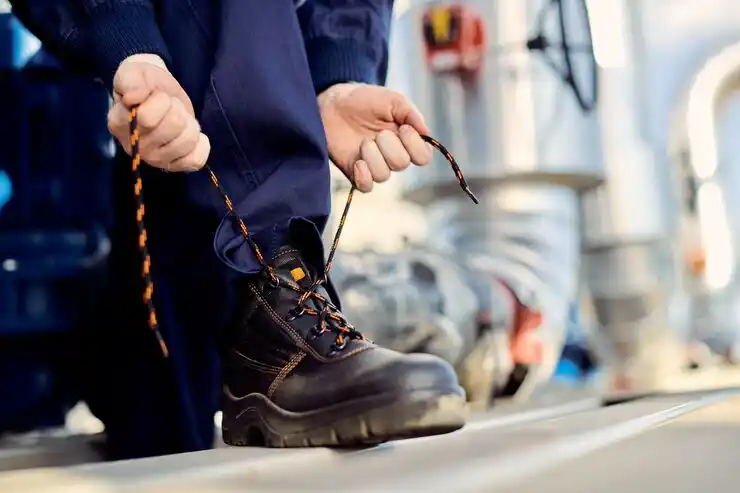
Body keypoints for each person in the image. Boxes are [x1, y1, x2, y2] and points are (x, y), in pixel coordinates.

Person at [10, 0, 467, 458]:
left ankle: (266, 307)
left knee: (162, 436)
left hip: (184, 177)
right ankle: (270, 287)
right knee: (158, 422)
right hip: (118, 75)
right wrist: (128, 43)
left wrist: (337, 69)